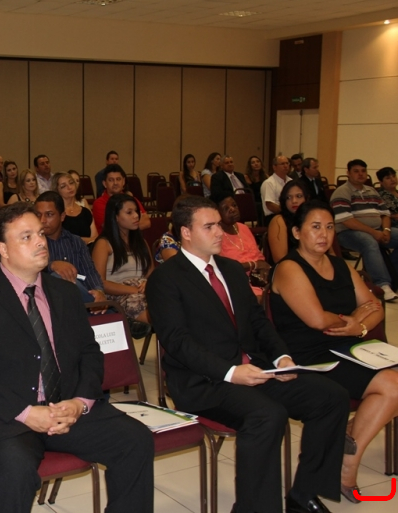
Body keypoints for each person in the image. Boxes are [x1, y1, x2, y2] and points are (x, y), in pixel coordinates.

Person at [0, 203, 154, 513]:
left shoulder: (66, 294)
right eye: (26, 236)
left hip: (65, 408)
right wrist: (26, 413)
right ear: (3, 249)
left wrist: (80, 402)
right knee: (16, 469)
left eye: (40, 233)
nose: (40, 242)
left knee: (135, 440)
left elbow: (89, 352)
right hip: (4, 417)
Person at [146, 195, 349, 513]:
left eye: (218, 225)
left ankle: (305, 494)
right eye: (209, 226)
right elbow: (178, 342)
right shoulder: (166, 278)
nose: (219, 232)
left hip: (255, 369)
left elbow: (258, 321)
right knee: (267, 415)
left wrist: (282, 358)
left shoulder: (230, 269)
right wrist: (230, 373)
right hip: (205, 381)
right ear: (186, 232)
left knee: (331, 397)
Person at [270, 199, 398, 503]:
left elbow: (375, 307)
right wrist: (355, 320)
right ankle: (346, 467)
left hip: (347, 348)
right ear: (297, 232)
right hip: (308, 356)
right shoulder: (289, 268)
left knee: (394, 384)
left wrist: (359, 327)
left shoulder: (340, 265)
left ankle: (346, 440)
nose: (324, 234)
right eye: (315, 227)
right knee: (393, 386)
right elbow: (316, 319)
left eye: (329, 227)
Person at [331, 159, 398, 300]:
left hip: (377, 230)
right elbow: (347, 220)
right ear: (348, 173)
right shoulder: (342, 192)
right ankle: (382, 285)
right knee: (369, 242)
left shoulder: (371, 191)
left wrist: (386, 230)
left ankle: (392, 273)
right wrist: (374, 233)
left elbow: (385, 214)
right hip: (348, 233)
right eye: (356, 171)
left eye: (363, 171)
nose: (360, 174)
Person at [33, 192, 105, 303]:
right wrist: (51, 265)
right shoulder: (31, 243)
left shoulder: (76, 242)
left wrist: (99, 291)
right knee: (57, 277)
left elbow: (90, 272)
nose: (42, 220)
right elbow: (24, 270)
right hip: (46, 301)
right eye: (38, 215)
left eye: (49, 215)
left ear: (62, 216)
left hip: (81, 298)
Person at [91, 194, 153, 323]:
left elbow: (151, 273)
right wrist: (135, 290)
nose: (136, 216)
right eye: (129, 212)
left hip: (143, 290)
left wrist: (148, 284)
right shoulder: (104, 244)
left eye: (136, 211)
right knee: (141, 305)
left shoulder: (142, 242)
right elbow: (100, 282)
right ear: (116, 217)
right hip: (119, 294)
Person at [217, 196, 271, 298]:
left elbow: (259, 258)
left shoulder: (244, 228)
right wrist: (254, 265)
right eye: (226, 208)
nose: (233, 209)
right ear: (217, 213)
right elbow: (224, 268)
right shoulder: (216, 236)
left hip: (257, 278)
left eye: (234, 205)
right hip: (237, 283)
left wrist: (263, 269)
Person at [92, 164, 150, 234]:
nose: (115, 183)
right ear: (104, 184)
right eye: (111, 180)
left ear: (123, 181)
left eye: (118, 179)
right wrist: (133, 224)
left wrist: (124, 226)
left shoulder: (131, 200)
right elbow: (111, 228)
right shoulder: (99, 203)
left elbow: (146, 222)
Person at [267, 180, 309, 264]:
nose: (294, 201)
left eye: (299, 196)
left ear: (306, 198)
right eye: (288, 198)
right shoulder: (279, 221)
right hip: (288, 268)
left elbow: (330, 253)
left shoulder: (312, 218)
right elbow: (280, 259)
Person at [52, 171, 97, 243]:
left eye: (71, 183)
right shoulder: (56, 213)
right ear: (57, 191)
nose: (69, 187)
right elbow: (60, 240)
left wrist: (77, 240)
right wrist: (85, 240)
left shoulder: (85, 212)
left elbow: (95, 239)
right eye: (63, 186)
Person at [261, 154, 291, 225]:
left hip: (288, 214)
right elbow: (270, 205)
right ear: (274, 167)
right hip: (273, 217)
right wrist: (286, 212)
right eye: (282, 164)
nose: (286, 166)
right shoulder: (269, 183)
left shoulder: (291, 181)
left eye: (287, 163)